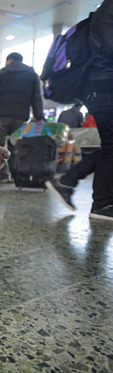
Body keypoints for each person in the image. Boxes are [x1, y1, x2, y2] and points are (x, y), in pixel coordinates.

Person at [46, 0, 113, 221]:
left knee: (111, 146)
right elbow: (108, 45)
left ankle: (69, 182)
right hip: (103, 88)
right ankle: (100, 204)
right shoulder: (109, 9)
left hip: (102, 87)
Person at [0, 52, 44, 183]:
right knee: (17, 147)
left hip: (0, 116)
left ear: (9, 60)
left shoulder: (1, 75)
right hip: (21, 117)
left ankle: (3, 175)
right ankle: (17, 175)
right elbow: (36, 98)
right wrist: (39, 117)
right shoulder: (32, 75)